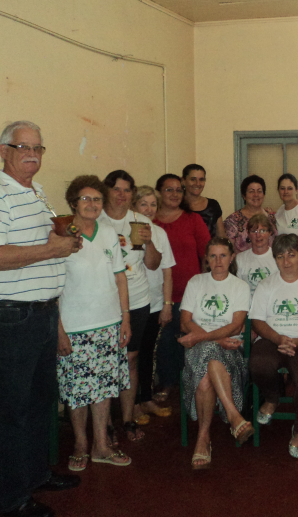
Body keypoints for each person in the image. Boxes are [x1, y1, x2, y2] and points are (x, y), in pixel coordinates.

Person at [0, 121, 81, 516]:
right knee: (12, 411)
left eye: (38, 147)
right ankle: (8, 497)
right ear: (4, 151)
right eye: (23, 147)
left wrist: (64, 243)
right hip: (12, 317)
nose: (32, 153)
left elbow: (42, 243)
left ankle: (32, 476)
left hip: (41, 314)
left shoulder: (36, 193)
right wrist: (51, 252)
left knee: (38, 404)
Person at [56, 175, 132, 473]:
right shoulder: (60, 236)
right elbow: (52, 288)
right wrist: (58, 329)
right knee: (77, 390)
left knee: (102, 389)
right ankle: (80, 444)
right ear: (73, 202)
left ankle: (101, 444)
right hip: (73, 326)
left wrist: (125, 317)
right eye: (85, 199)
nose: (92, 204)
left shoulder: (109, 233)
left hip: (109, 323)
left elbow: (120, 276)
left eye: (97, 199)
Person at [249, 235, 298, 458]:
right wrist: (278, 338)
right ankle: (273, 397)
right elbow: (257, 320)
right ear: (274, 259)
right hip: (272, 338)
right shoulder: (266, 285)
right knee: (259, 364)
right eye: (280, 256)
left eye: (291, 255)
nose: (286, 261)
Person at [178, 237, 254, 469]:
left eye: (223, 255)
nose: (218, 261)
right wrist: (214, 339)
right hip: (203, 348)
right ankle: (234, 417)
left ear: (232, 258)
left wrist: (202, 337)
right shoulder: (196, 282)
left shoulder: (239, 286)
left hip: (231, 350)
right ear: (207, 259)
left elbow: (236, 326)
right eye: (213, 256)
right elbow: (184, 321)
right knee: (208, 355)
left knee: (205, 379)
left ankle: (203, 438)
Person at [98, 170, 161, 443]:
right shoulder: (95, 219)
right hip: (104, 300)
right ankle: (105, 424)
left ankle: (127, 418)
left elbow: (153, 263)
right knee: (105, 362)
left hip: (137, 299)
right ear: (107, 191)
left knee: (131, 360)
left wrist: (148, 242)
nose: (122, 195)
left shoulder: (141, 221)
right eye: (117, 189)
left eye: (127, 190)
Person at [153, 174, 210, 396]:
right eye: (169, 190)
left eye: (178, 190)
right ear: (159, 192)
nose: (175, 194)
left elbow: (206, 255)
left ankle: (190, 383)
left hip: (189, 293)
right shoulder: (150, 221)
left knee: (186, 338)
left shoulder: (192, 219)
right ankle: (167, 383)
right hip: (158, 294)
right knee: (165, 342)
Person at [131, 186, 175, 421]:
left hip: (155, 303)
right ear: (134, 206)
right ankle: (133, 403)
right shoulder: (121, 230)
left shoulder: (159, 233)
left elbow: (167, 271)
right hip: (130, 304)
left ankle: (146, 399)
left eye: (153, 204)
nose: (149, 209)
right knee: (131, 356)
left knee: (148, 353)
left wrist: (167, 304)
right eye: (143, 204)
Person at [224, 175, 277, 253]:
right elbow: (228, 251)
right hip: (243, 264)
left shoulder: (272, 218)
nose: (256, 195)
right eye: (251, 191)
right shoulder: (233, 221)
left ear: (263, 194)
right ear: (244, 195)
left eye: (259, 191)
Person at [236, 213, 279, 295]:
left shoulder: (277, 257)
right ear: (248, 233)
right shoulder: (240, 259)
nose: (258, 235)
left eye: (262, 231)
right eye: (254, 231)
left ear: (270, 233)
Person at [182, 163, 226, 239]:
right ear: (183, 181)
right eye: (193, 179)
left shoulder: (213, 205)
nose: (198, 184)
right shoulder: (178, 205)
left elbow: (221, 237)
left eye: (201, 180)